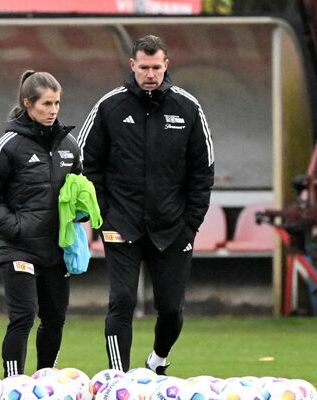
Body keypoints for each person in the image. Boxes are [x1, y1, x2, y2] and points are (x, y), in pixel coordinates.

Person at [77, 35, 215, 374]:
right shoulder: (109, 106)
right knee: (122, 301)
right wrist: (103, 215)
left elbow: (204, 170)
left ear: (166, 65)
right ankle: (117, 378)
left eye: (156, 67)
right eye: (144, 67)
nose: (150, 74)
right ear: (132, 66)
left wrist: (190, 224)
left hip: (172, 227)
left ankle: (157, 361)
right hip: (120, 224)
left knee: (170, 308)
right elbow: (84, 165)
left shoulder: (187, 108)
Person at [0, 70, 81, 377]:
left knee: (55, 318)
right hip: (18, 248)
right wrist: (17, 228)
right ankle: (13, 385)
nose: (53, 110)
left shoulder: (69, 145)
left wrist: (82, 211)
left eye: (57, 103)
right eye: (46, 104)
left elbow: (80, 187)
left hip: (55, 249)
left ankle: (45, 382)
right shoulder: (8, 145)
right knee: (22, 317)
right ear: (28, 103)